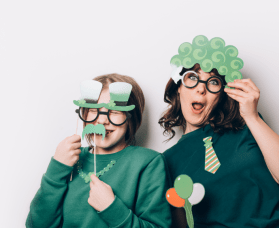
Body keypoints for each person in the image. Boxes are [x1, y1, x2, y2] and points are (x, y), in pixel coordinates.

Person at [160, 36, 279, 227]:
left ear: (222, 93)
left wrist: (252, 117)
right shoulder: (166, 162)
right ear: (179, 87)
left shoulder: (246, 125)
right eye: (193, 78)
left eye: (213, 82)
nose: (201, 90)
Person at [26, 73, 171, 228]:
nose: (101, 120)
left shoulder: (149, 163)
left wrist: (111, 208)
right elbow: (36, 225)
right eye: (94, 110)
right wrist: (56, 169)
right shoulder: (68, 158)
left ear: (131, 117)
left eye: (114, 111)